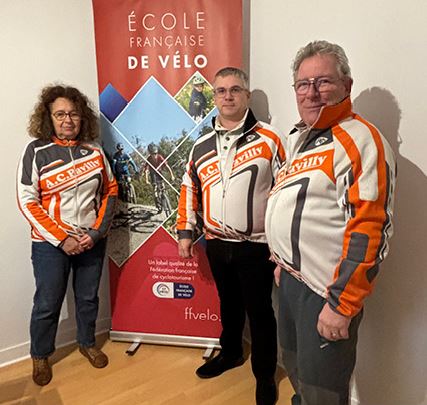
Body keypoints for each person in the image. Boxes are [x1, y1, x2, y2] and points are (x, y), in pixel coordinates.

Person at [265, 40, 396, 405]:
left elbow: (370, 229)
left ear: (346, 85)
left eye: (323, 82)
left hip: (325, 291)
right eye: (303, 84)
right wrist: (282, 261)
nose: (311, 93)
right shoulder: (300, 139)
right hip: (290, 280)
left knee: (323, 389)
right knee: (296, 371)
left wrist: (342, 305)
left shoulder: (361, 140)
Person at [177, 67, 286, 405]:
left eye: (235, 89)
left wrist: (281, 246)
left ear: (246, 96)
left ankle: (265, 375)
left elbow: (285, 192)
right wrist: (185, 232)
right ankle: (231, 353)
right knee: (229, 304)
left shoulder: (270, 139)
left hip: (256, 246)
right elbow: (189, 188)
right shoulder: (200, 145)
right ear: (213, 97)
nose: (228, 96)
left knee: (260, 312)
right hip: (215, 243)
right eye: (221, 90)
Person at [16, 85, 118, 386]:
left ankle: (87, 343)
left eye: (73, 113)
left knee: (87, 298)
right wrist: (62, 238)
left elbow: (110, 191)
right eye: (60, 114)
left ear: (81, 117)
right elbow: (27, 200)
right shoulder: (35, 151)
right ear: (48, 117)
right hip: (49, 245)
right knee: (48, 303)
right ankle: (40, 354)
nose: (67, 120)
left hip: (90, 241)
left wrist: (96, 233)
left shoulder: (95, 150)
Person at [144, 143, 175, 214]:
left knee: (163, 186)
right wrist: (146, 180)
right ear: (150, 154)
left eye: (156, 153)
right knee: (155, 189)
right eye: (153, 154)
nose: (155, 155)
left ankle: (165, 199)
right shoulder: (149, 159)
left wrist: (172, 175)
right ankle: (158, 205)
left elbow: (167, 166)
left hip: (159, 172)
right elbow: (146, 171)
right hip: (153, 174)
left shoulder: (160, 157)